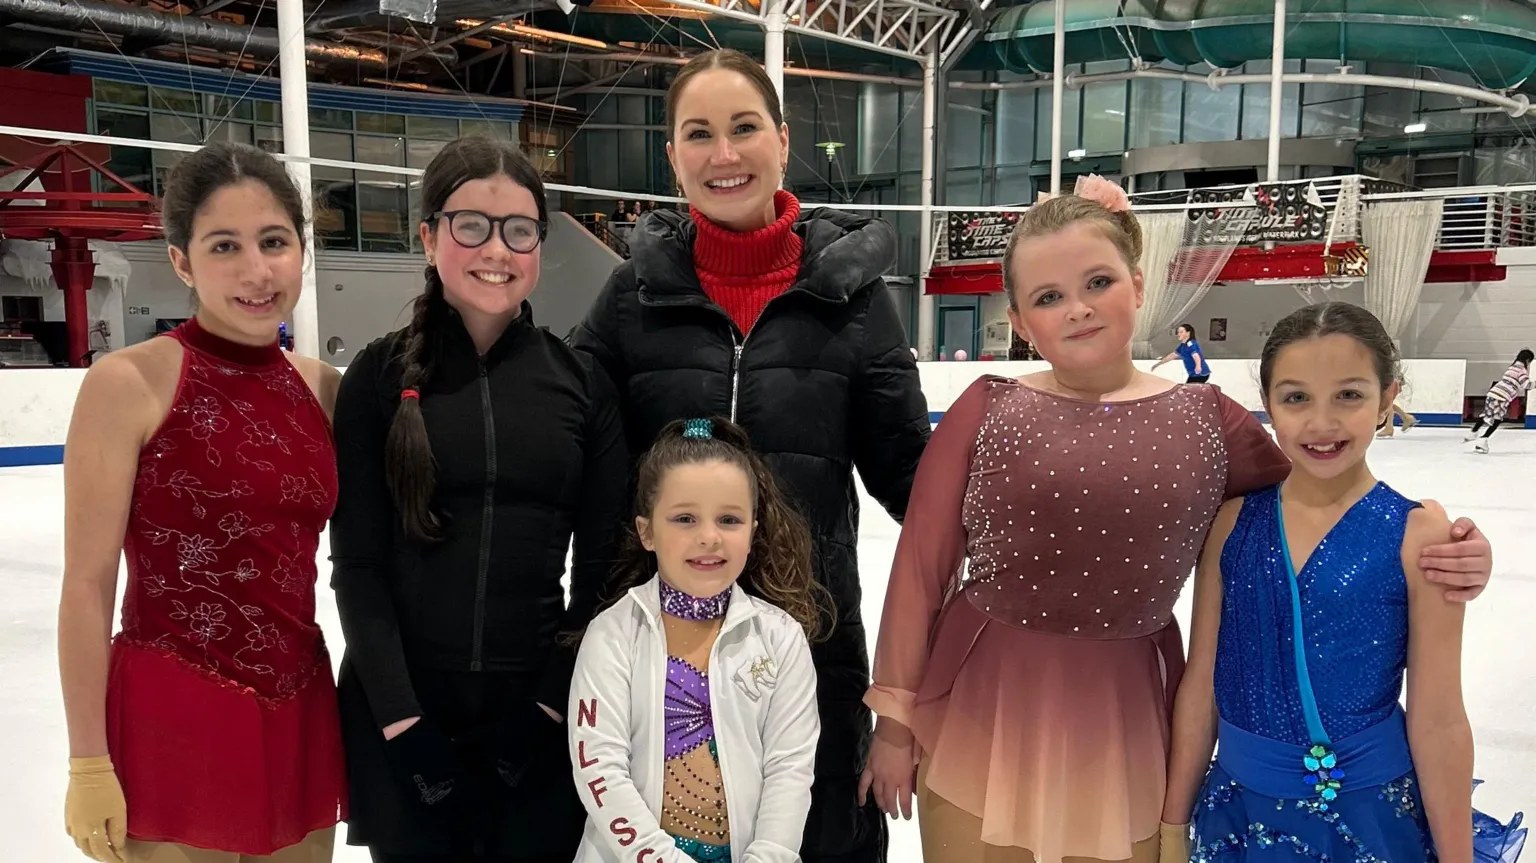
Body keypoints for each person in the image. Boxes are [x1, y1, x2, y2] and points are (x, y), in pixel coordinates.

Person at [859, 177, 1497, 863]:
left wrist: (1449, 544)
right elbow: (921, 569)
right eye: (1048, 297)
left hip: (1128, 713)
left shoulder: (1208, 420)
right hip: (982, 697)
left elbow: (1318, 498)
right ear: (1018, 321)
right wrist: (893, 723)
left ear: (1138, 285)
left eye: (1097, 282)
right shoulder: (987, 408)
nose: (1078, 308)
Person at [568, 48, 929, 863]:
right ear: (673, 156)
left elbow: (914, 478)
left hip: (814, 649)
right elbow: (575, 457)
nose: (723, 154)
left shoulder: (852, 301)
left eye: (743, 128)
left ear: (782, 139)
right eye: (699, 134)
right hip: (660, 661)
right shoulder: (630, 298)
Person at [329, 135, 629, 863]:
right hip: (404, 713)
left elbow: (602, 573)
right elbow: (358, 566)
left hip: (537, 715)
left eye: (519, 230)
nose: (497, 249)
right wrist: (402, 723)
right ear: (429, 236)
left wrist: (549, 707)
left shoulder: (582, 384)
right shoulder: (376, 376)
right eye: (471, 225)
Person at [58, 141, 346, 862]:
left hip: (300, 711)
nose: (256, 271)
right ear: (182, 261)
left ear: (302, 251)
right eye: (224, 245)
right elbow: (87, 584)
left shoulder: (325, 390)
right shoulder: (129, 383)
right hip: (173, 719)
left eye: (274, 241)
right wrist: (88, 760)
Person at [1161, 302, 1527, 862]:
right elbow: (1201, 688)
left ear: (1387, 398)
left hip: (1370, 820)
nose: (1322, 423)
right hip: (1237, 817)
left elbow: (1439, 718)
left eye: (1349, 395)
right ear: (1268, 403)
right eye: (1297, 398)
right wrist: (1172, 825)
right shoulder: (1232, 523)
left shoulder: (1417, 533)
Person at [567, 416, 825, 863]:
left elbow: (790, 769)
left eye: (729, 519)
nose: (709, 536)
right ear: (647, 532)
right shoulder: (612, 635)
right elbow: (599, 768)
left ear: (752, 532)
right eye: (685, 518)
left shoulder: (780, 639)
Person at [1464, 348, 1532, 453]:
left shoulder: (1512, 367)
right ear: (1527, 360)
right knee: (1497, 419)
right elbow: (1527, 385)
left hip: (1493, 393)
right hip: (1502, 397)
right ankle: (1482, 439)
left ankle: (1473, 432)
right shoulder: (1522, 370)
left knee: (1486, 414)